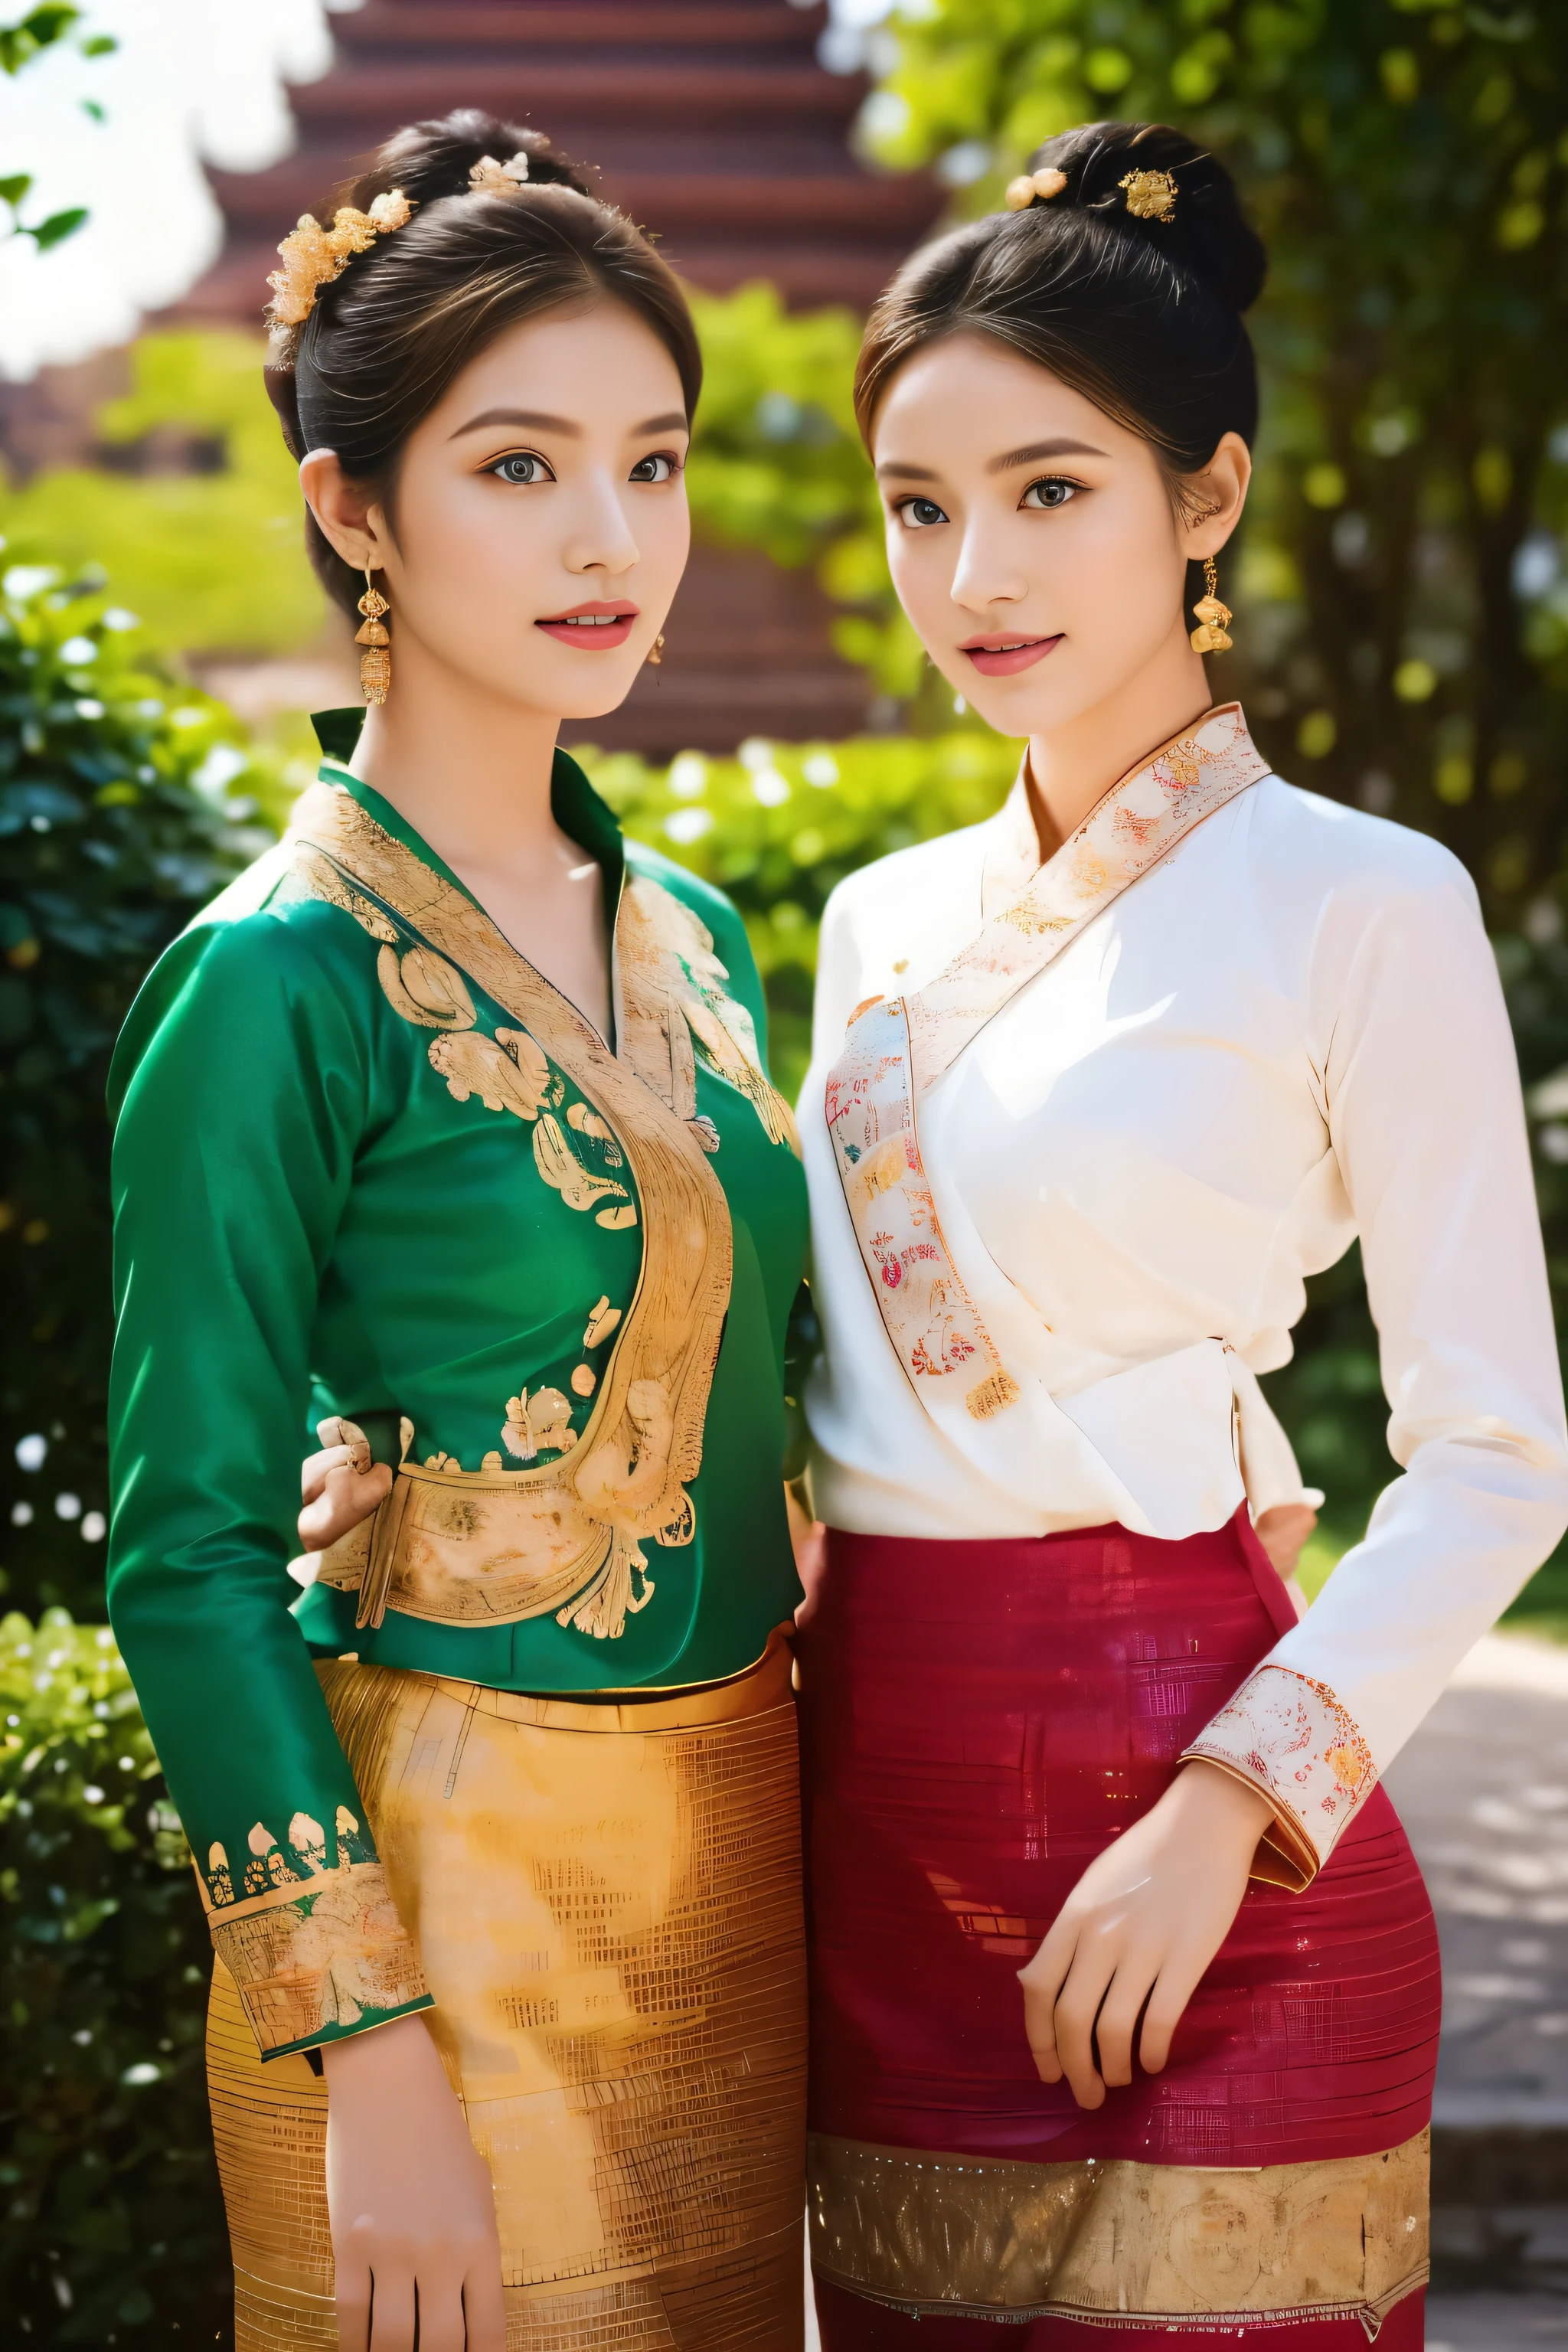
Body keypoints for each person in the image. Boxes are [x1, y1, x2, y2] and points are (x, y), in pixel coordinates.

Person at [794, 122, 1568, 2347]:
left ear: (1204, 499)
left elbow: (1500, 1457)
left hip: (1212, 1850)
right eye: (921, 506)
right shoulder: (874, 923)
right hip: (879, 1839)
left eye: (1051, 491)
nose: (976, 574)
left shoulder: (1364, 901)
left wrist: (1230, 1813)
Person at [106, 113, 810, 2352]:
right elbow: (186, 1559)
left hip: (741, 1893)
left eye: (657, 460)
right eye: (520, 466)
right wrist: (365, 2047)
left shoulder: (696, 937)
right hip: (439, 1934)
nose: (616, 537)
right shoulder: (272, 981)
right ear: (349, 505)